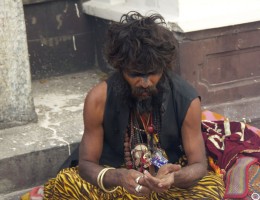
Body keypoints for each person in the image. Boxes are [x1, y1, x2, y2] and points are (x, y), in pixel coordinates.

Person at [43, 11, 225, 199]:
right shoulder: (98, 99)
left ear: (163, 66)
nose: (145, 83)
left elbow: (198, 165)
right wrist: (118, 176)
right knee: (67, 183)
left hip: (167, 179)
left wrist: (173, 178)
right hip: (115, 177)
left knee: (210, 188)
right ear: (121, 68)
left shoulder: (186, 99)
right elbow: (87, 164)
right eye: (136, 74)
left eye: (152, 73)